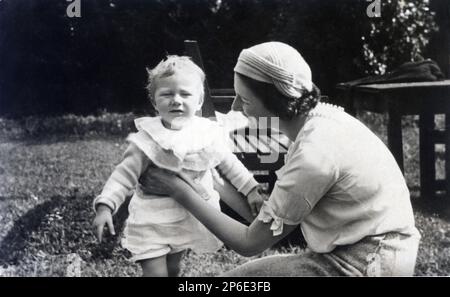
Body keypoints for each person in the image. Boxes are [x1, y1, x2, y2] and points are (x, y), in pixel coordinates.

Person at [139, 42, 421, 276]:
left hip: (369, 264)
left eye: (244, 100)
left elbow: (251, 242)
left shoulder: (315, 153)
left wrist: (179, 191)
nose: (236, 107)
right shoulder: (321, 121)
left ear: (275, 100)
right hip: (359, 252)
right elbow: (264, 219)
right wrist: (209, 182)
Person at [92, 55, 265, 277]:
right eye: (167, 94)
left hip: (185, 218)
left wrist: (250, 189)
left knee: (173, 269)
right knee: (156, 273)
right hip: (152, 221)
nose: (176, 100)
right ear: (154, 102)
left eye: (185, 94)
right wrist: (105, 205)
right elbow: (123, 175)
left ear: (199, 101)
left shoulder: (204, 133)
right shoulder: (148, 139)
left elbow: (229, 163)